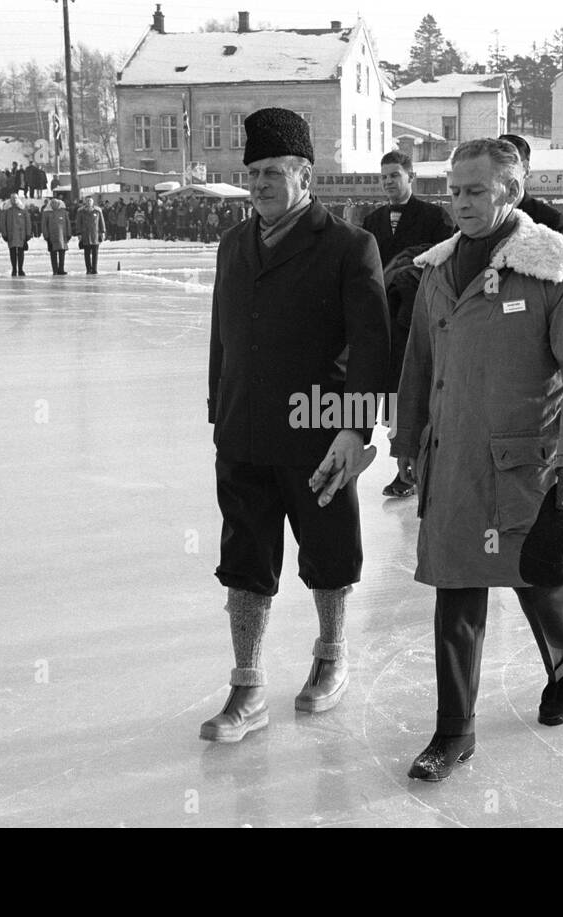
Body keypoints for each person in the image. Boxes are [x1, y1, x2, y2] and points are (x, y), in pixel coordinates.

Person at [391, 138, 563, 781]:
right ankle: (453, 732)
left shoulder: (554, 267)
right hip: (453, 462)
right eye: (454, 190)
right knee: (454, 590)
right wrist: (407, 446)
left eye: (476, 190)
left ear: (511, 192)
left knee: (539, 585)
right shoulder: (437, 271)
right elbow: (418, 368)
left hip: (527, 465)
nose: (460, 202)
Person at [201, 108, 389, 743]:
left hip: (317, 432)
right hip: (242, 431)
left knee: (328, 550)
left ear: (305, 174)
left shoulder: (346, 246)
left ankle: (332, 654)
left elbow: (371, 346)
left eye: (271, 172)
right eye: (251, 173)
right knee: (244, 557)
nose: (258, 184)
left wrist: (356, 430)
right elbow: (222, 338)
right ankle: (247, 685)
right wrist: (216, 409)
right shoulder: (233, 245)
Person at [361, 150, 455, 498]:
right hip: (382, 320)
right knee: (392, 392)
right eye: (384, 176)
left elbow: (444, 260)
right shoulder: (371, 221)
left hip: (418, 318)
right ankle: (401, 459)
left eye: (394, 175)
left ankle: (414, 464)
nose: (388, 182)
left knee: (414, 389)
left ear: (410, 177)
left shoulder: (434, 217)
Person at [498, 133, 563, 237]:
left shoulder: (550, 221)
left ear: (525, 169)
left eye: (508, 163)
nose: (500, 170)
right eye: (495, 163)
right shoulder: (476, 216)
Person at [0, 192, 31, 276]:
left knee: (21, 253)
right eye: (12, 198)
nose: (14, 200)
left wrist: (28, 234)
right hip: (11, 235)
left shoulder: (23, 209)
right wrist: (4, 234)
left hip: (21, 235)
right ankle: (14, 269)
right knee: (12, 252)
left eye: (15, 198)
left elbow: (28, 222)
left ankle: (20, 269)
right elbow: (3, 223)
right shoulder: (6, 210)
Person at [76, 194, 105, 274]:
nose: (89, 202)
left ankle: (94, 269)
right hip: (85, 235)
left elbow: (101, 222)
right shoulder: (81, 211)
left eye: (90, 201)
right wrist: (79, 233)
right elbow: (78, 223)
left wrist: (102, 232)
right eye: (87, 201)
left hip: (95, 235)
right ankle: (88, 269)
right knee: (87, 254)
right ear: (85, 202)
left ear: (93, 202)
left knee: (95, 254)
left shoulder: (97, 211)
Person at [42, 198, 71, 275]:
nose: (54, 204)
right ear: (50, 204)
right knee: (53, 254)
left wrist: (69, 234)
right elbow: (44, 226)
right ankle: (55, 270)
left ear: (59, 204)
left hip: (62, 237)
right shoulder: (46, 213)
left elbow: (68, 224)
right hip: (51, 237)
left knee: (62, 254)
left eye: (56, 203)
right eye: (52, 203)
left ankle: (61, 269)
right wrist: (46, 236)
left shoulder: (64, 212)